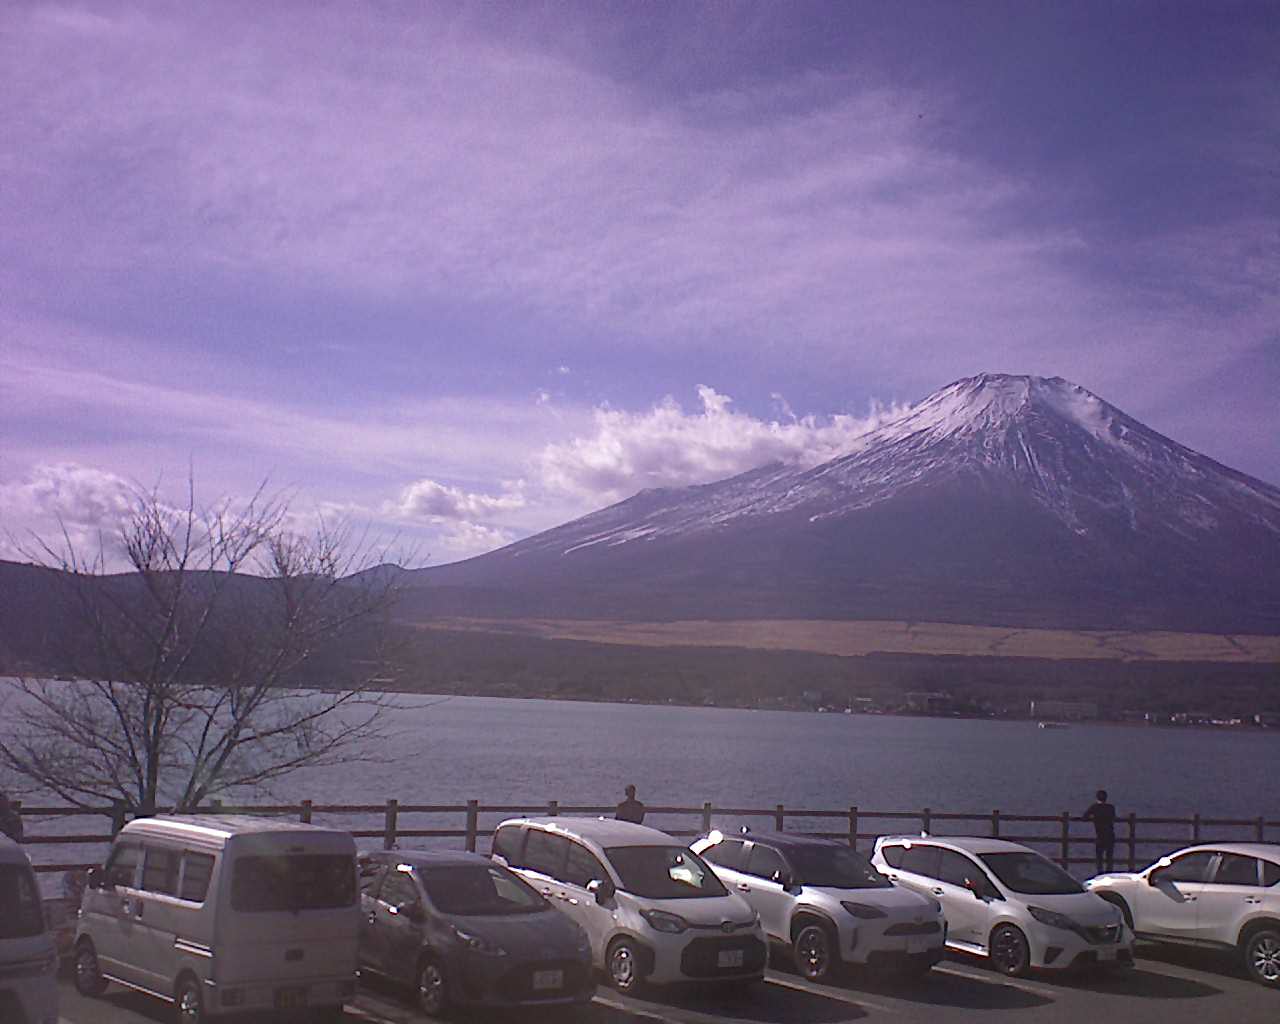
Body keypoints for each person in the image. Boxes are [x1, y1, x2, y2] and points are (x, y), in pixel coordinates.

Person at [1082, 789, 1116, 874]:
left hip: (1100, 835)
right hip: (1110, 835)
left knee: (1099, 858)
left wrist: (1094, 818)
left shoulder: (1095, 807)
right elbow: (1113, 817)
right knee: (1109, 858)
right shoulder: (1110, 807)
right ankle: (1109, 874)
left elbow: (1084, 817)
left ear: (1097, 797)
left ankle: (1100, 874)